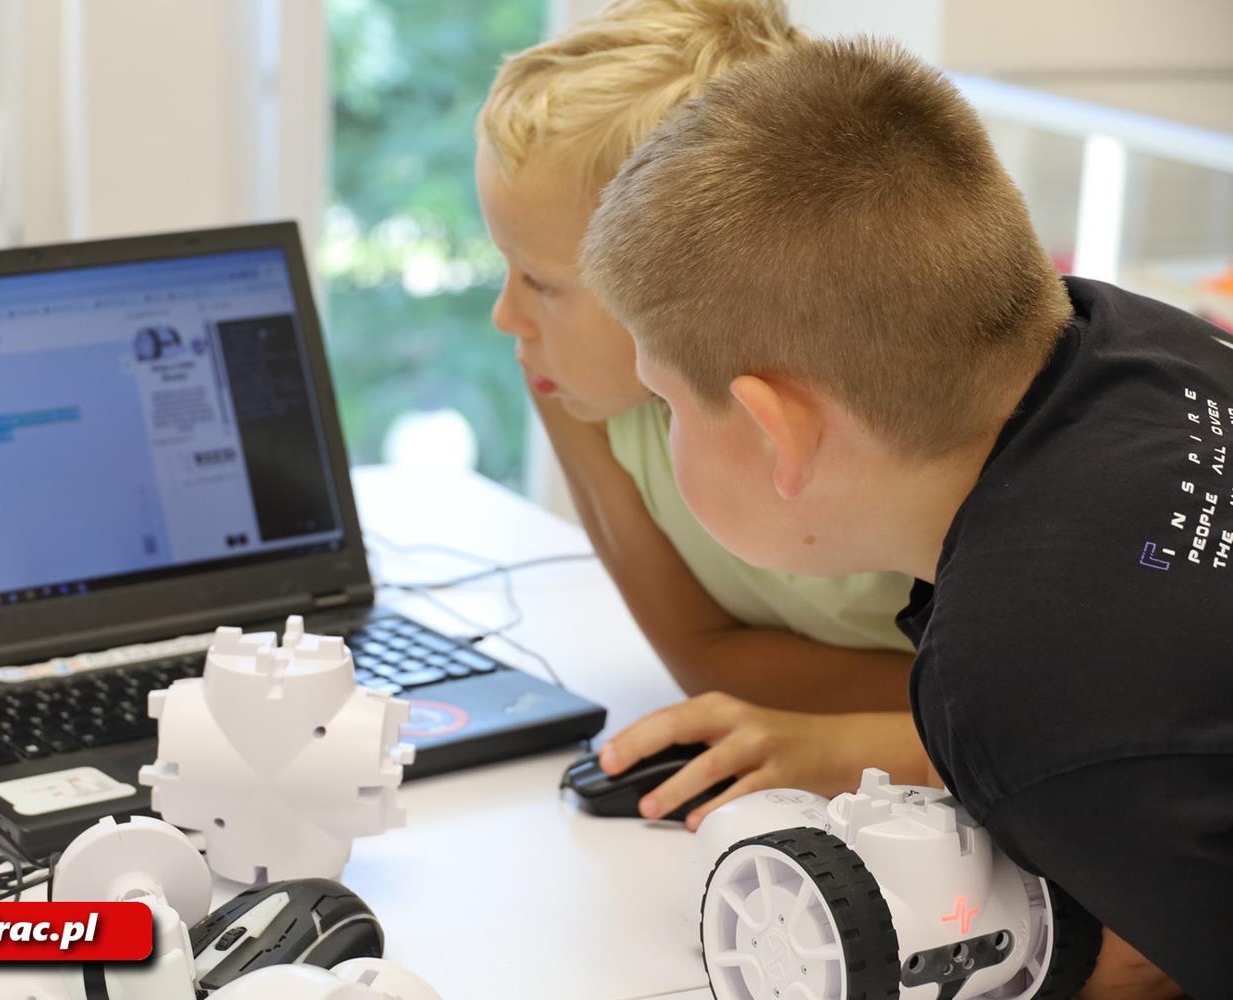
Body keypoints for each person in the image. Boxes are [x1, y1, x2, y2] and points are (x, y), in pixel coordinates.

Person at [579, 35, 1231, 1000]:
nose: (661, 427)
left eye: (665, 403)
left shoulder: (1017, 676)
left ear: (776, 431)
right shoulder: (1143, 338)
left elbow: (1158, 958)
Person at [475, 0, 929, 821]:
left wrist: (852, 736)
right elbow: (702, 656)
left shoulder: (894, 419)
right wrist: (914, 706)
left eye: (541, 282)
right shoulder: (569, 387)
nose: (507, 317)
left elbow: (1038, 700)